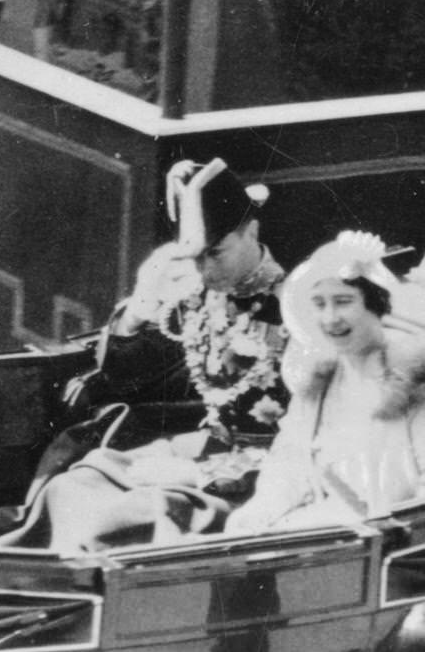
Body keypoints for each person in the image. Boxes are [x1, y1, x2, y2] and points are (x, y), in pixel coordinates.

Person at [42, 158, 288, 551]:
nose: (204, 271)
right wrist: (140, 306)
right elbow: (125, 377)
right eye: (194, 259)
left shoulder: (298, 311)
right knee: (79, 478)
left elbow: (311, 446)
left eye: (215, 254)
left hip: (263, 484)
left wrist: (197, 474)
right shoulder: (197, 296)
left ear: (252, 231)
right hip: (201, 449)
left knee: (139, 511)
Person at [227, 233, 425, 532]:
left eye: (343, 301)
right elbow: (286, 469)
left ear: (376, 303)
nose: (330, 318)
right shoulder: (317, 388)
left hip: (389, 555)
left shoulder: (423, 387)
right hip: (319, 544)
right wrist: (257, 514)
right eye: (319, 304)